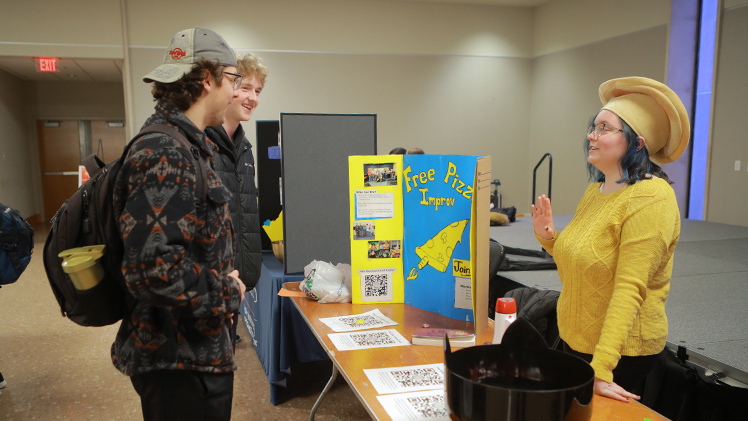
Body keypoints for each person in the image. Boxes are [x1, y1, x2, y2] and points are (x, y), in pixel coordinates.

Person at [112, 27, 246, 421]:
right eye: (233, 80)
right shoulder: (166, 151)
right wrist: (227, 291)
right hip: (179, 363)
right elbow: (153, 269)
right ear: (207, 80)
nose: (237, 92)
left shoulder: (186, 144)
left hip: (192, 355)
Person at [531, 77, 689, 403]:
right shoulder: (596, 191)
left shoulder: (651, 198)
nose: (591, 135)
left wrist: (601, 368)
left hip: (620, 355)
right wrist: (549, 238)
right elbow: (581, 265)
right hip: (578, 340)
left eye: (604, 128)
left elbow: (629, 290)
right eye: (593, 127)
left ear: (637, 143)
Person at [205, 53, 268, 352]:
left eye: (258, 91)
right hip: (208, 285)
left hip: (237, 280)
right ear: (226, 88)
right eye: (245, 88)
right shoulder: (201, 146)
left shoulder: (244, 149)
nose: (252, 98)